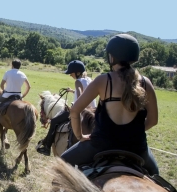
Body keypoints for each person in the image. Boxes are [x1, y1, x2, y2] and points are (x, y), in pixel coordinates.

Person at [61, 34, 159, 175]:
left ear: (111, 57)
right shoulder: (146, 83)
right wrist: (132, 133)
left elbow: (75, 110)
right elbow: (153, 120)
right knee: (156, 175)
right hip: (137, 147)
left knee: (63, 162)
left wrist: (80, 135)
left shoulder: (103, 80)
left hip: (101, 145)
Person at [37, 60, 96, 156]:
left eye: (71, 73)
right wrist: (72, 91)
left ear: (77, 72)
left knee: (54, 121)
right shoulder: (89, 79)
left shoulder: (78, 82)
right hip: (92, 111)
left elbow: (81, 95)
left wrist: (73, 107)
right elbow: (86, 92)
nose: (70, 75)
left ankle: (47, 147)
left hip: (80, 111)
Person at [0, 59, 31, 128]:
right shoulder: (22, 74)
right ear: (19, 66)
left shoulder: (7, 72)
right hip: (18, 96)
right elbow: (28, 87)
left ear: (12, 65)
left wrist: (4, 90)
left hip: (7, 95)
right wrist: (23, 95)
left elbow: (1, 85)